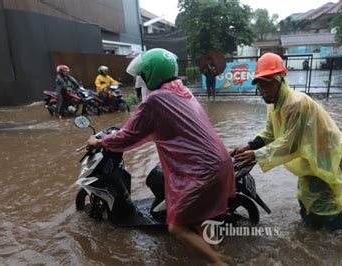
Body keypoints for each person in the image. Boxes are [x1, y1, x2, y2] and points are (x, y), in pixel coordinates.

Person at [87, 48, 235, 264]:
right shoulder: (182, 92)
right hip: (219, 162)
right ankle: (217, 251)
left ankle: (219, 263)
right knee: (200, 218)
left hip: (201, 169)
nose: (142, 80)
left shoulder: (156, 100)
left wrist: (100, 141)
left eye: (143, 75)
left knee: (176, 227)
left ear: (151, 74)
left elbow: (129, 135)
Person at [231, 53, 342, 237]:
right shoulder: (274, 104)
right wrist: (249, 146)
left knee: (329, 209)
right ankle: (314, 233)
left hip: (326, 152)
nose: (263, 89)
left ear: (281, 79)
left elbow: (289, 145)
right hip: (308, 153)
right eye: (259, 84)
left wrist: (256, 155)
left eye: (268, 83)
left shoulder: (295, 103)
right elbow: (271, 133)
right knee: (307, 199)